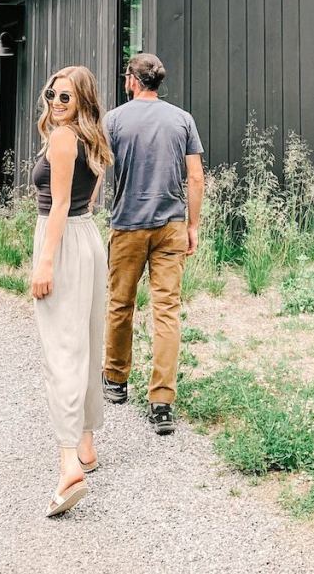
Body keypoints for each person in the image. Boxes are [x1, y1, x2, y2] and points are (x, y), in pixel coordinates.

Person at [102, 52, 204, 435]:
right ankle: (161, 402)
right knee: (167, 312)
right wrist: (192, 225)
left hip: (128, 225)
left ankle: (115, 379)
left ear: (132, 79)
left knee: (120, 303)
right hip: (171, 225)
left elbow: (98, 168)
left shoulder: (114, 119)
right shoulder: (182, 119)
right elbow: (195, 178)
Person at [30, 65, 111, 517]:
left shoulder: (63, 139)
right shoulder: (93, 138)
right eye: (52, 96)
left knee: (61, 350)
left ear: (82, 100)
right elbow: (88, 197)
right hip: (87, 239)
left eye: (66, 98)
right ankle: (86, 446)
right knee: (84, 341)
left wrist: (44, 260)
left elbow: (59, 203)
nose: (57, 105)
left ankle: (68, 465)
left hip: (60, 240)